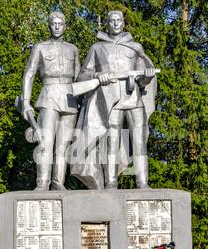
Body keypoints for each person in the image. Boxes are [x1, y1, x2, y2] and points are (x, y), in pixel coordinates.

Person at [72, 10, 157, 189]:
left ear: (124, 23)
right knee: (111, 141)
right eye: (112, 21)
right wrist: (97, 75)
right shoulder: (97, 48)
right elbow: (82, 76)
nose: (116, 24)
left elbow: (142, 80)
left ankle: (142, 183)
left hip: (134, 100)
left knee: (140, 141)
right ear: (107, 24)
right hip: (110, 102)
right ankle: (111, 183)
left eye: (119, 20)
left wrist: (147, 77)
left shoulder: (135, 47)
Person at [21, 12, 80, 190]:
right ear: (49, 25)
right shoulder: (40, 48)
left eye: (60, 23)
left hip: (70, 99)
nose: (56, 27)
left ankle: (58, 182)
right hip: (49, 96)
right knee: (45, 143)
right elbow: (29, 74)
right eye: (53, 23)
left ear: (65, 26)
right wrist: (25, 101)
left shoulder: (73, 49)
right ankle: (42, 183)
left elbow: (79, 77)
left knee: (63, 146)